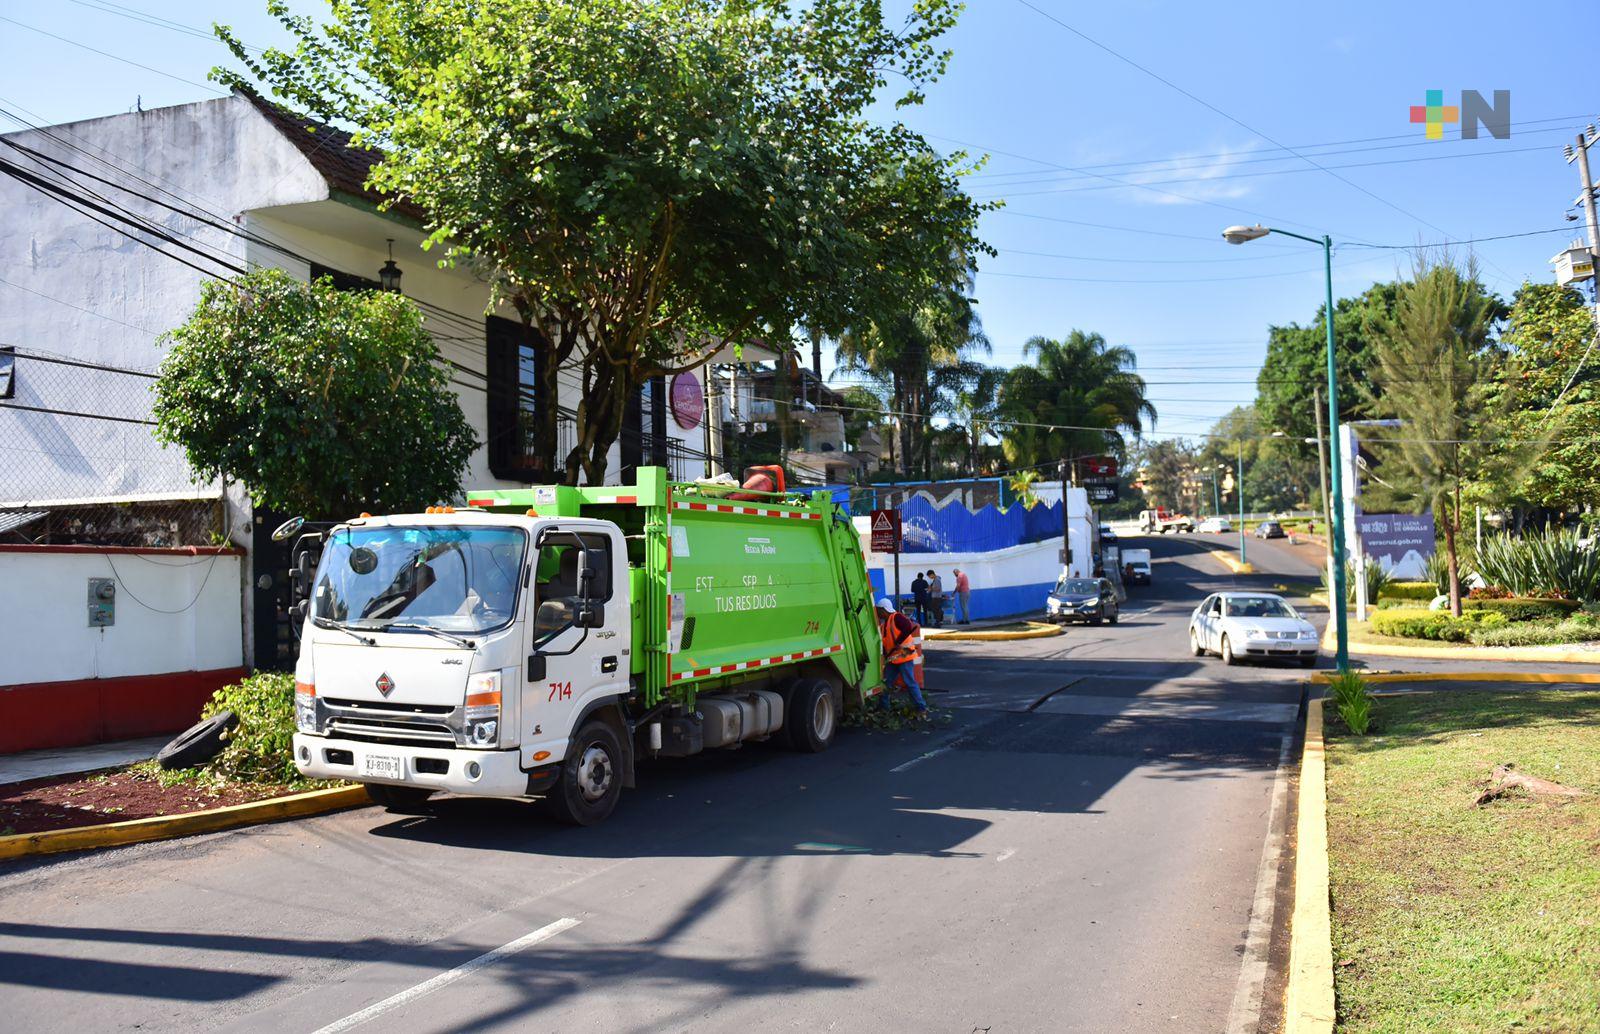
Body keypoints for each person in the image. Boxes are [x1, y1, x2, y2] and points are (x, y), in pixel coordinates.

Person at [875, 597, 927, 715]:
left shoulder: (896, 617)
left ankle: (921, 707)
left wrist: (898, 642)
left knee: (910, 683)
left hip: (904, 656)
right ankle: (884, 707)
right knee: (886, 683)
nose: (878, 614)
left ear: (884, 610)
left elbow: (908, 627)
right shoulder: (884, 625)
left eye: (879, 611)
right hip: (893, 659)